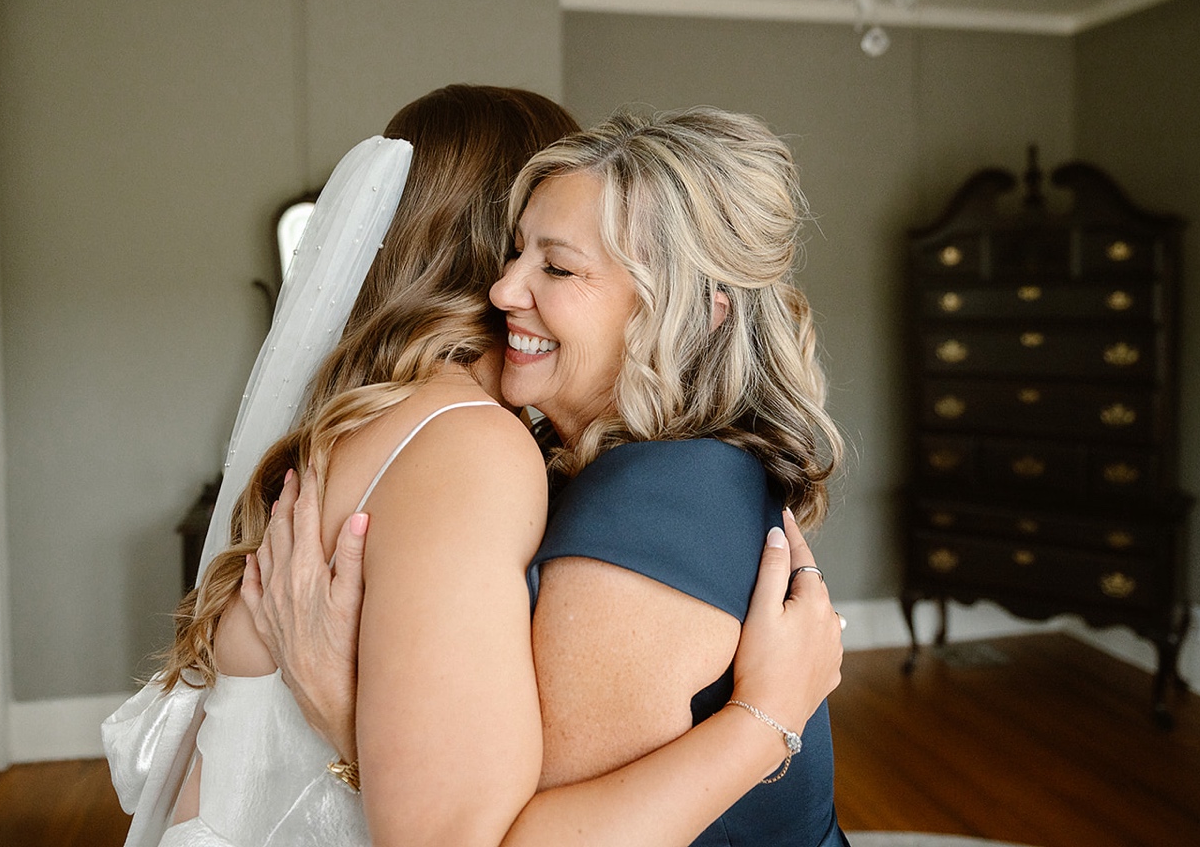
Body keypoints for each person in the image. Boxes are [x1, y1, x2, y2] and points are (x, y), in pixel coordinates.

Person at [104, 88, 843, 847]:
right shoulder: (488, 451)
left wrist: (348, 712)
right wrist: (765, 723)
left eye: (557, 265)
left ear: (692, 308)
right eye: (513, 248)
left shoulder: (655, 489)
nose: (504, 288)